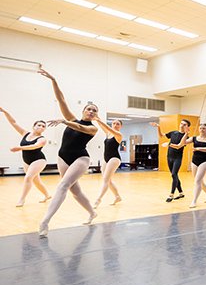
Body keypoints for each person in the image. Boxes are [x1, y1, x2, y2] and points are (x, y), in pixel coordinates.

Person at [37, 68, 99, 237]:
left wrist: (64, 121)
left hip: (81, 158)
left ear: (95, 115)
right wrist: (53, 80)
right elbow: (61, 99)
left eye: (94, 110)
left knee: (63, 185)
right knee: (75, 190)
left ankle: (45, 221)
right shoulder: (72, 119)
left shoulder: (93, 128)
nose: (91, 111)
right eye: (89, 109)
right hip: (63, 157)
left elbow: (80, 127)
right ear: (83, 111)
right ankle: (92, 212)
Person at [1, 107, 51, 206]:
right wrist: (5, 111)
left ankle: (22, 199)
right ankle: (47, 195)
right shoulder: (25, 133)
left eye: (43, 126)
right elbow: (13, 123)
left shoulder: (42, 139)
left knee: (28, 178)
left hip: (39, 160)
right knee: (36, 181)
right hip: (26, 161)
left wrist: (19, 148)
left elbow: (35, 146)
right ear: (34, 126)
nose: (41, 127)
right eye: (39, 125)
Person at [175, 123, 206, 208]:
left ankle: (194, 201)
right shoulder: (194, 138)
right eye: (200, 128)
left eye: (204, 128)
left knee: (197, 181)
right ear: (199, 129)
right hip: (194, 161)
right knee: (200, 181)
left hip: (204, 161)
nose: (202, 130)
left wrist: (198, 149)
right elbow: (183, 143)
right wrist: (186, 134)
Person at [151, 119, 190, 202]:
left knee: (174, 174)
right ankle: (181, 193)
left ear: (187, 127)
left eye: (184, 124)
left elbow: (179, 146)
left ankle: (171, 194)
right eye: (181, 123)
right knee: (174, 175)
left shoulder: (187, 137)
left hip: (177, 158)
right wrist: (158, 127)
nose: (182, 125)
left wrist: (169, 144)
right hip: (169, 157)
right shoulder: (173, 133)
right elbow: (161, 136)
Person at [93, 118, 123, 208]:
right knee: (108, 181)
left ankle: (98, 200)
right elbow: (102, 126)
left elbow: (107, 128)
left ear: (121, 126)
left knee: (106, 180)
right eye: (113, 123)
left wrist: (101, 121)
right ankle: (117, 197)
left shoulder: (118, 135)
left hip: (114, 159)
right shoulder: (108, 133)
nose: (115, 125)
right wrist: (97, 118)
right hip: (106, 159)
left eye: (117, 124)